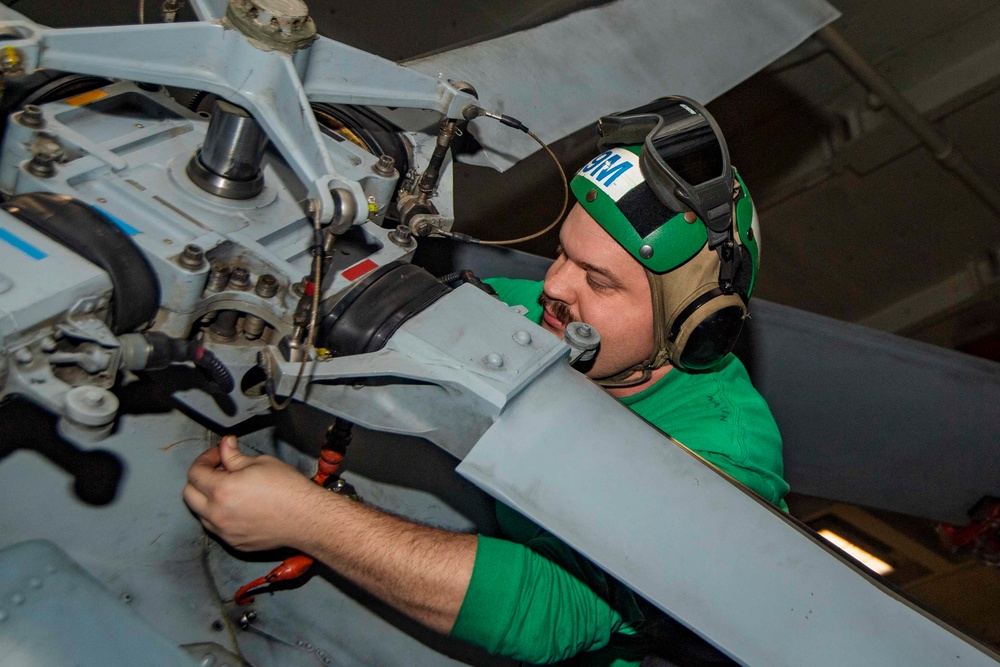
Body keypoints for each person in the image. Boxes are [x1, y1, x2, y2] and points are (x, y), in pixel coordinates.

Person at [183, 96, 788, 665]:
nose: (552, 287)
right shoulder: (533, 312)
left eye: (598, 282)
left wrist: (303, 517)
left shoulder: (722, 456)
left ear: (695, 326)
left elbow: (551, 609)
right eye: (562, 253)